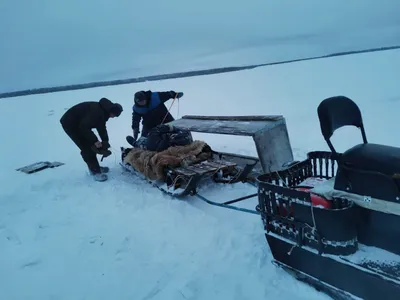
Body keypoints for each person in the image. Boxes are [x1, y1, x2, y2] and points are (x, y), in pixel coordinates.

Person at [60, 97, 123, 182]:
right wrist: (95, 141)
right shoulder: (97, 112)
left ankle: (95, 167)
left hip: (80, 124)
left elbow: (101, 128)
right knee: (87, 147)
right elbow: (83, 127)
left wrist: (105, 141)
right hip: (70, 124)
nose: (113, 117)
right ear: (112, 112)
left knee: (91, 145)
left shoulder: (103, 111)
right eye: (114, 115)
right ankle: (95, 172)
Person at [129, 124, 193, 152]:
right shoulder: (185, 135)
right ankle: (136, 143)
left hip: (157, 143)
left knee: (143, 143)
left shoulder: (152, 141)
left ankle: (136, 143)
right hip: (164, 141)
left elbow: (155, 130)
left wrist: (169, 129)